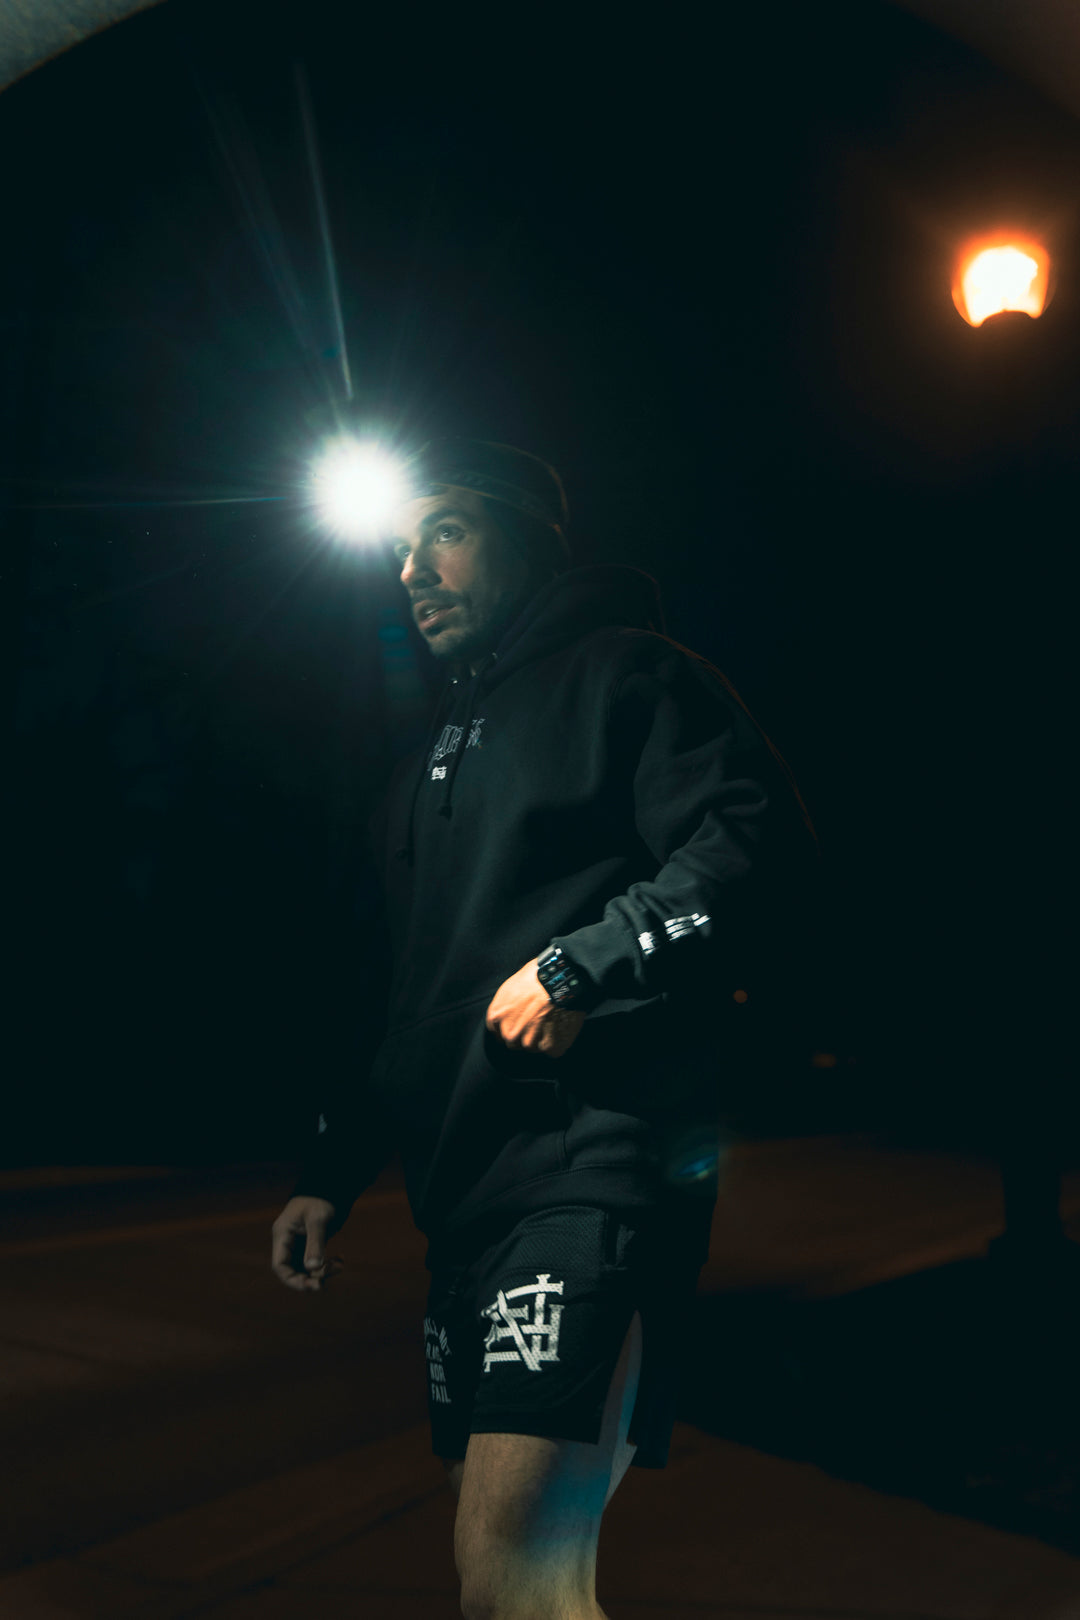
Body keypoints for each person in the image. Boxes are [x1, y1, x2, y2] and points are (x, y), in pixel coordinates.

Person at [271, 437, 819, 1620]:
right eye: (400, 547)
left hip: (590, 1173)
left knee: (516, 1577)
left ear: (525, 540)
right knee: (503, 1581)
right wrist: (332, 1168)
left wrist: (583, 967)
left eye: (447, 532)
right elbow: (406, 992)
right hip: (461, 1203)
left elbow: (754, 848)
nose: (412, 570)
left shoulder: (630, 674)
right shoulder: (420, 771)